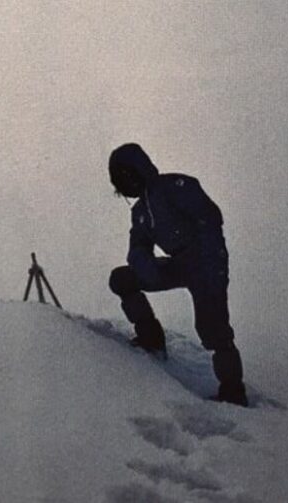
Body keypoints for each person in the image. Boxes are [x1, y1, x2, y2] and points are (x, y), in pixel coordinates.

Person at [108, 143, 248, 406]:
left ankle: (233, 391)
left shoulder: (175, 186)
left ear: (137, 170)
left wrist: (211, 261)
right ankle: (151, 338)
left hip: (207, 264)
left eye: (125, 178)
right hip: (180, 265)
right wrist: (142, 263)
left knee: (212, 328)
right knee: (122, 278)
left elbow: (210, 217)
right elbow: (137, 246)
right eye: (120, 184)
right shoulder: (139, 213)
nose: (125, 188)